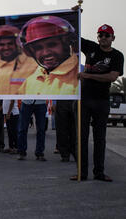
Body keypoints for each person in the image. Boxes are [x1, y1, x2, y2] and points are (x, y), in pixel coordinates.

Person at [71, 23, 124, 182]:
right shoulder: (91, 47)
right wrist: (75, 16)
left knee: (100, 138)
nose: (103, 38)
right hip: (84, 99)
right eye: (100, 35)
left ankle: (99, 172)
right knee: (81, 137)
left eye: (107, 35)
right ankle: (82, 172)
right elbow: (73, 37)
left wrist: (88, 76)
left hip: (101, 101)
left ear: (113, 38)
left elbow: (112, 77)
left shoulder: (117, 56)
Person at [18, 15, 79, 95]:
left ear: (66, 44)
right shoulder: (30, 81)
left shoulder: (79, 76)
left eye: (52, 45)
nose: (46, 53)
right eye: (38, 48)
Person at [0, 24, 38, 95]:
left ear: (17, 45)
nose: (6, 47)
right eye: (2, 45)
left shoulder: (34, 65)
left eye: (10, 44)